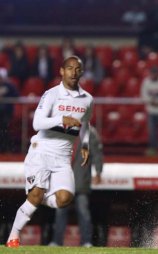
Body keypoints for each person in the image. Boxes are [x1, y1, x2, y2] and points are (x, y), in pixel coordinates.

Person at [5, 55, 93, 248]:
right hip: (41, 152)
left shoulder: (87, 99)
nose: (73, 72)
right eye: (69, 68)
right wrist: (62, 119)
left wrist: (85, 145)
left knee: (64, 199)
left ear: (81, 72)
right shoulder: (51, 94)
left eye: (77, 69)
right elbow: (37, 123)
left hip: (63, 157)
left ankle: (37, 197)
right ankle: (13, 235)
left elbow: (85, 124)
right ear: (61, 71)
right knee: (36, 196)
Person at [50, 126, 103, 247]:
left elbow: (97, 154)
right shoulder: (62, 131)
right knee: (60, 212)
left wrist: (98, 172)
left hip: (81, 179)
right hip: (63, 181)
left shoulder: (90, 133)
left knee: (83, 211)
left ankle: (86, 241)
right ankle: (57, 241)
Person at [0, 68, 19, 152]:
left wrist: (5, 93)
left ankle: (5, 148)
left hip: (6, 113)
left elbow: (16, 95)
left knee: (5, 128)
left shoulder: (9, 86)